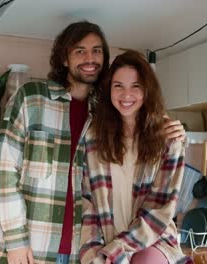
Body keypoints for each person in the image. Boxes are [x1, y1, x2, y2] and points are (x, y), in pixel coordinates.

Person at [0, 21, 186, 264]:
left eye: (97, 50)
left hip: (79, 250)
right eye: (80, 50)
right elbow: (4, 171)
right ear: (64, 58)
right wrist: (15, 241)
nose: (90, 58)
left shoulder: (104, 115)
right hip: (29, 246)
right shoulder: (31, 98)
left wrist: (178, 132)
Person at [79, 50, 192, 264]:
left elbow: (159, 211)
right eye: (118, 86)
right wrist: (94, 255)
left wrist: (117, 252)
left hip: (152, 243)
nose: (126, 94)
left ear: (147, 90)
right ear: (109, 90)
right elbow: (88, 204)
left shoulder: (168, 138)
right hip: (107, 243)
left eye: (135, 86)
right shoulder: (93, 136)